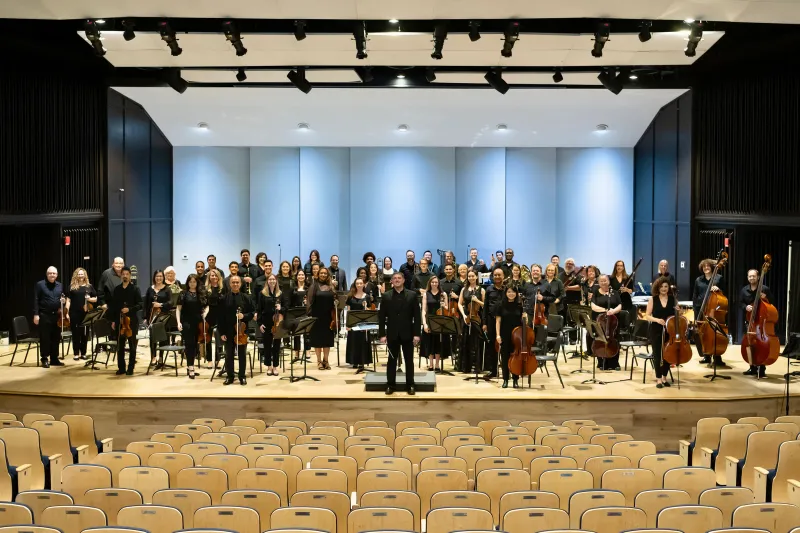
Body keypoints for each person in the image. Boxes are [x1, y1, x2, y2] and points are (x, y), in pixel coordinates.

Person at [379, 272, 421, 395]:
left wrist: (417, 334)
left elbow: (417, 317)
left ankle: (410, 385)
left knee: (409, 361)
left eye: (399, 278)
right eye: (394, 278)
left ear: (403, 280)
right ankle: (390, 385)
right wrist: (382, 334)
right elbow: (381, 317)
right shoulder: (386, 296)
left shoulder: (412, 295)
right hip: (392, 334)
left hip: (408, 333)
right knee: (391, 361)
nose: (397, 280)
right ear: (391, 281)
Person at [218, 275, 254, 385]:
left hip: (242, 331)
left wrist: (244, 316)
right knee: (229, 354)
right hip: (228, 331)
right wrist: (222, 332)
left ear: (240, 284)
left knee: (242, 354)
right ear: (229, 284)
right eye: (233, 282)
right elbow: (220, 317)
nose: (235, 284)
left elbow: (252, 313)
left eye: (237, 282)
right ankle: (230, 376)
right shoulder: (223, 298)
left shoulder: (246, 298)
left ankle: (242, 376)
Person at [740, 269, 775, 378]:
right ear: (747, 277)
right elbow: (740, 303)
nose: (752, 278)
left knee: (762, 345)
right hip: (750, 321)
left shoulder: (764, 289)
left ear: (758, 277)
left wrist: (766, 298)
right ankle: (752, 367)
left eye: (754, 276)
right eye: (750, 276)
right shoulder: (744, 290)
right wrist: (746, 307)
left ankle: (762, 368)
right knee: (750, 344)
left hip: (761, 322)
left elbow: (772, 302)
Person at [692, 258, 726, 367]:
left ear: (711, 267)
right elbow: (695, 296)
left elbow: (725, 293)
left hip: (714, 310)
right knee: (704, 333)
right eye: (704, 266)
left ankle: (717, 356)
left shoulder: (718, 278)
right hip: (701, 309)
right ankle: (706, 355)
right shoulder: (698, 280)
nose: (706, 268)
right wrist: (696, 311)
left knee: (715, 333)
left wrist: (719, 289)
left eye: (708, 266)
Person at [109, 266, 142, 375]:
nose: (125, 276)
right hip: (119, 321)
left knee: (132, 346)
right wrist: (114, 320)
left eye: (127, 274)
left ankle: (130, 368)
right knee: (120, 346)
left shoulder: (135, 289)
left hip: (131, 321)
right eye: (123, 274)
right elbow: (113, 307)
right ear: (121, 275)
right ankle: (121, 368)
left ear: (130, 275)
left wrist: (129, 309)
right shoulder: (117, 289)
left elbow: (140, 305)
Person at [645, 276, 675, 388]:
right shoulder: (653, 299)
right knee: (657, 355)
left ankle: (664, 377)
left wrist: (678, 311)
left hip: (669, 330)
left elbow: (678, 314)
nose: (664, 288)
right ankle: (658, 378)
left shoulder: (672, 299)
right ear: (658, 288)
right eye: (661, 286)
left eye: (666, 286)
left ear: (668, 288)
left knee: (667, 354)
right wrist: (657, 320)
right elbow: (647, 316)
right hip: (656, 330)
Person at [33, 266, 66, 368]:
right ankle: (44, 358)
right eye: (50, 273)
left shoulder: (60, 285)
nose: (52, 275)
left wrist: (63, 303)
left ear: (57, 275)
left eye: (54, 273)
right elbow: (36, 299)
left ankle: (54, 358)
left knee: (56, 338)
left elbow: (62, 298)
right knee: (45, 338)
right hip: (44, 315)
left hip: (56, 316)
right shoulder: (40, 285)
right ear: (47, 274)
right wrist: (36, 314)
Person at [176, 274, 207, 379]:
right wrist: (178, 322)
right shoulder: (183, 294)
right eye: (190, 282)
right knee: (189, 345)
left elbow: (206, 306)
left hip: (198, 323)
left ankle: (191, 366)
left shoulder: (200, 294)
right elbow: (178, 309)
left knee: (194, 346)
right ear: (187, 282)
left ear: (197, 283)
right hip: (187, 323)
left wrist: (205, 314)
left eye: (194, 282)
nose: (192, 284)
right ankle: (191, 367)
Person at [590, 275, 623, 371]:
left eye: (605, 280)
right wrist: (605, 310)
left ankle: (614, 363)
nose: (603, 282)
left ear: (608, 281)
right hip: (599, 321)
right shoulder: (595, 293)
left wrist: (613, 311)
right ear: (598, 283)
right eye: (601, 281)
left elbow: (620, 305)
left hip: (613, 321)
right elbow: (593, 306)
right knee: (600, 339)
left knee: (614, 339)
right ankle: (601, 362)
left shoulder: (614, 293)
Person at [65, 268, 97, 361]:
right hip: (74, 313)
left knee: (85, 333)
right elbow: (68, 300)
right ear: (76, 275)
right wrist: (66, 312)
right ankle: (76, 353)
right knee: (75, 333)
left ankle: (83, 353)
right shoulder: (72, 287)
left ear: (85, 275)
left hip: (86, 313)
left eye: (82, 274)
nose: (80, 276)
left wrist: (89, 299)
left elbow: (95, 298)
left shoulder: (89, 286)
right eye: (79, 274)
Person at [256, 274, 285, 376]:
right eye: (270, 279)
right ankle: (269, 366)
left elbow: (286, 308)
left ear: (276, 281)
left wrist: (280, 308)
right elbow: (259, 310)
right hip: (266, 323)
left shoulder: (280, 294)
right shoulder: (262, 294)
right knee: (267, 346)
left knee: (276, 346)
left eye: (274, 279)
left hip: (277, 323)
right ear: (267, 281)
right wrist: (260, 323)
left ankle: (275, 366)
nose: (272, 281)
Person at [307, 267, 336, 370]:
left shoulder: (330, 287)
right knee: (318, 340)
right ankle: (319, 361)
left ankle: (326, 360)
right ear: (318, 274)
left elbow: (334, 301)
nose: (323, 275)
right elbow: (309, 302)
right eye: (321, 273)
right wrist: (310, 316)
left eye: (325, 273)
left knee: (327, 340)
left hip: (328, 317)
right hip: (316, 316)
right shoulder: (314, 286)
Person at [421, 276, 451, 373]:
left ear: (438, 283)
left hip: (440, 319)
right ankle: (430, 364)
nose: (434, 284)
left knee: (438, 342)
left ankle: (437, 364)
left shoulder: (443, 294)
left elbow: (447, 309)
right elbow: (424, 310)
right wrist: (424, 324)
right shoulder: (426, 294)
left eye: (436, 282)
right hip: (430, 320)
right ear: (430, 283)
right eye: (432, 282)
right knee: (430, 342)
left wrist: (444, 306)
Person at [495, 285, 523, 388]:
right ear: (506, 293)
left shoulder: (520, 306)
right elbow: (498, 321)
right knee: (505, 357)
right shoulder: (500, 305)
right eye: (509, 292)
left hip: (517, 336)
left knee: (516, 357)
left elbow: (522, 322)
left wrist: (525, 319)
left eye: (513, 292)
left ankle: (515, 379)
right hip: (504, 334)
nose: (511, 294)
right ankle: (505, 379)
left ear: (516, 294)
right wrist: (498, 335)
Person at [144, 270, 172, 369]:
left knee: (162, 338)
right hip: (152, 316)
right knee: (152, 338)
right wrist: (145, 318)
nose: (158, 278)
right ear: (154, 277)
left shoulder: (167, 289)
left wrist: (160, 304)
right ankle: (153, 357)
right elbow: (146, 304)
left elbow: (170, 303)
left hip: (163, 317)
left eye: (160, 276)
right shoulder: (150, 289)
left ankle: (161, 357)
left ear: (163, 277)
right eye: (157, 276)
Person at [459, 269, 485, 373]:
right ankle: (466, 367)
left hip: (477, 318)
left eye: (473, 276)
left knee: (477, 343)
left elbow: (485, 305)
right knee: (466, 342)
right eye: (469, 276)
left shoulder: (481, 290)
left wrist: (476, 300)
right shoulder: (463, 289)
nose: (471, 278)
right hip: (466, 317)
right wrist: (464, 315)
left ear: (476, 277)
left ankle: (478, 367)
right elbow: (460, 304)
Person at [481, 268, 505, 377]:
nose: (497, 277)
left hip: (504, 322)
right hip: (491, 321)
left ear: (503, 276)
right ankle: (493, 371)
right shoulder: (489, 289)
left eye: (499, 275)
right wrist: (484, 323)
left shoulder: (507, 289)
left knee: (504, 347)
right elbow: (485, 307)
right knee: (491, 347)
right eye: (495, 275)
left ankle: (506, 371)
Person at [345, 278, 373, 373]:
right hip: (353, 323)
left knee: (363, 341)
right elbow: (348, 310)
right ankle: (354, 361)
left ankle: (362, 361)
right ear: (355, 284)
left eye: (361, 283)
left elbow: (370, 311)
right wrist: (347, 324)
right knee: (353, 341)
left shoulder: (367, 297)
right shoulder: (350, 296)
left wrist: (366, 307)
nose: (359, 285)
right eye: (357, 283)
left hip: (363, 323)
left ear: (364, 285)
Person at [204, 269, 225, 369]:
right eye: (212, 275)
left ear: (219, 277)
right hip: (209, 316)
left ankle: (218, 359)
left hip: (220, 316)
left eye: (216, 275)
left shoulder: (223, 288)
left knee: (218, 339)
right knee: (208, 339)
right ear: (209, 277)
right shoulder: (205, 289)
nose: (214, 277)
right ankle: (209, 360)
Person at [559, 258, 583, 342]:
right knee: (562, 320)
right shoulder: (560, 275)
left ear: (574, 266)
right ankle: (563, 339)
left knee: (573, 321)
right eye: (567, 263)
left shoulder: (577, 275)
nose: (569, 265)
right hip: (562, 302)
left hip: (573, 302)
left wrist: (568, 288)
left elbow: (580, 287)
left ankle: (573, 339)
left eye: (571, 264)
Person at [289, 270, 310, 361]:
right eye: (299, 275)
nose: (301, 276)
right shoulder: (293, 288)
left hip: (306, 311)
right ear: (296, 276)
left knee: (307, 331)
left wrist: (307, 302)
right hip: (296, 311)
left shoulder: (308, 288)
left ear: (305, 276)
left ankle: (307, 350)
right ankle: (296, 352)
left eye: (302, 275)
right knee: (296, 332)